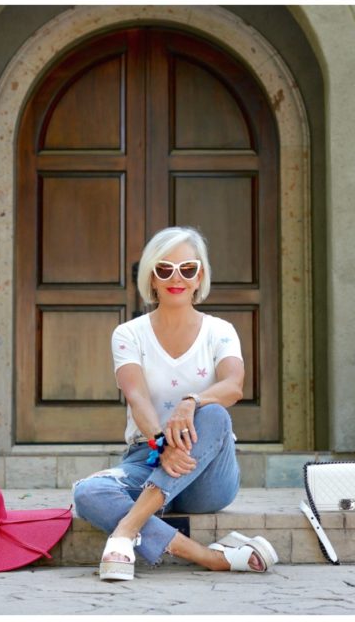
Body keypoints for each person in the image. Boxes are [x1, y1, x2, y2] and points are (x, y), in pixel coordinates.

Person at [73, 226, 277, 580]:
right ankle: (208, 557)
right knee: (88, 492)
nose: (176, 278)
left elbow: (233, 386)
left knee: (213, 413)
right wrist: (161, 445)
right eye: (164, 269)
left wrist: (191, 401)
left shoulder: (220, 330)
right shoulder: (129, 334)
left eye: (188, 269)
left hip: (207, 474)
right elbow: (136, 395)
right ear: (152, 278)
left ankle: (125, 531)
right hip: (148, 456)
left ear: (200, 277)